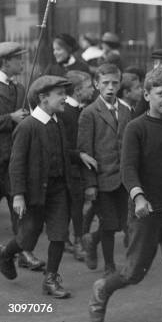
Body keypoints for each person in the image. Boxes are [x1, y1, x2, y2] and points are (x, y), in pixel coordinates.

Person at [88, 67, 162, 322]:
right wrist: (138, 196)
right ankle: (103, 289)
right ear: (147, 95)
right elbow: (128, 168)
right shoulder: (135, 128)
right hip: (145, 209)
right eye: (160, 94)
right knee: (134, 273)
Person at [0, 76, 94, 297]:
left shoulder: (57, 122)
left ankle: (50, 280)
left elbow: (61, 152)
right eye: (60, 94)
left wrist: (78, 155)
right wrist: (19, 196)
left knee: (58, 235)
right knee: (27, 237)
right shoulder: (27, 127)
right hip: (34, 194)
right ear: (43, 98)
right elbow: (17, 164)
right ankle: (6, 254)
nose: (65, 98)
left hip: (59, 190)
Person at [78, 64, 132, 276]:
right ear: (96, 84)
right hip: (102, 178)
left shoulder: (127, 110)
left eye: (115, 83)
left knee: (120, 223)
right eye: (105, 83)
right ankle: (109, 265)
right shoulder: (89, 113)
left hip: (123, 178)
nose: (110, 87)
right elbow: (85, 152)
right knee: (109, 224)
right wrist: (90, 184)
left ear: (120, 84)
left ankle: (91, 239)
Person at [0, 42, 41, 271]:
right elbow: (11, 117)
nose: (22, 63)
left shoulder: (21, 87)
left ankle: (23, 251)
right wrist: (10, 118)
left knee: (19, 207)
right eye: (18, 59)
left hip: (13, 159)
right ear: (5, 62)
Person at [59, 70, 96, 262]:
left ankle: (67, 240)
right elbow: (63, 146)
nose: (93, 90)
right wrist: (79, 155)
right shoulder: (65, 112)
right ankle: (77, 243)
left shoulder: (81, 109)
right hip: (70, 167)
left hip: (78, 165)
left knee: (75, 205)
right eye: (89, 86)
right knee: (76, 205)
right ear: (78, 90)